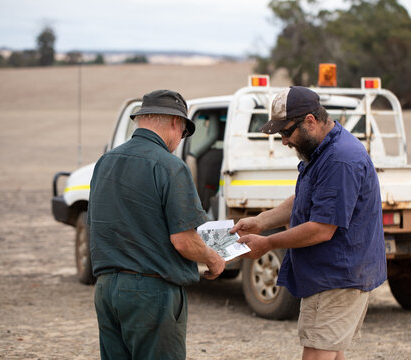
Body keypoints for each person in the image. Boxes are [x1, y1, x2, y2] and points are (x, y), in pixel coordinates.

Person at [231, 86, 386, 360]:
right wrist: (260, 221)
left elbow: (321, 229)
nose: (284, 141)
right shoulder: (325, 150)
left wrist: (267, 243)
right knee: (331, 353)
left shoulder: (339, 158)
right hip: (335, 277)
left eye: (286, 132)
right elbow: (304, 197)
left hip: (334, 278)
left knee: (317, 354)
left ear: (310, 121)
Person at [88, 89, 225, 360]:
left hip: (106, 290)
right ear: (176, 123)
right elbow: (184, 241)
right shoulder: (171, 167)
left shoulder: (104, 162)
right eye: (184, 133)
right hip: (151, 293)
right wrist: (213, 258)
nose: (179, 141)